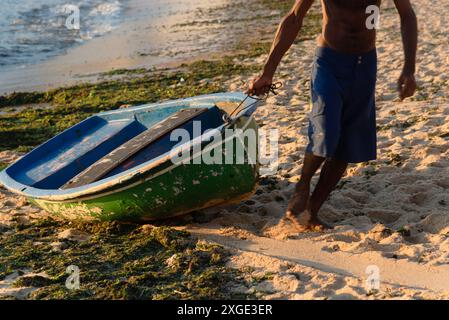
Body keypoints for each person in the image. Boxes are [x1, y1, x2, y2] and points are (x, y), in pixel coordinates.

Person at [248, 0, 417, 231]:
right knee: (326, 131)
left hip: (365, 64)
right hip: (329, 62)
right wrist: (267, 72)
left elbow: (407, 15)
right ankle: (302, 186)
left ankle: (311, 212)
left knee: (347, 143)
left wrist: (409, 69)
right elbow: (295, 17)